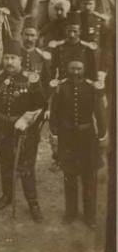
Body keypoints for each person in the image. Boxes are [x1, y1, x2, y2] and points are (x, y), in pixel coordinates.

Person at [0, 38, 45, 222]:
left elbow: (41, 106)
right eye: (6, 58)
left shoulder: (31, 79)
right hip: (2, 130)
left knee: (26, 169)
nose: (9, 62)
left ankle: (33, 203)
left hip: (24, 133)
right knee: (5, 165)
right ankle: (7, 195)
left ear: (20, 60)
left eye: (13, 58)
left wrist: (26, 119)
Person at [49, 51, 107, 228]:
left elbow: (100, 114)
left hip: (87, 138)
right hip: (67, 139)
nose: (75, 72)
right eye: (72, 68)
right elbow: (54, 114)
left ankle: (89, 215)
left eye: (79, 68)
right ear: (67, 68)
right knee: (70, 176)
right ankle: (71, 212)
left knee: (89, 177)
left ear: (84, 69)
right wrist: (54, 135)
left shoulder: (91, 88)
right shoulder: (61, 88)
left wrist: (102, 136)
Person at [48, 10, 98, 82]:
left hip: (82, 86)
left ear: (80, 31)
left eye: (75, 31)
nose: (72, 34)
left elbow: (93, 72)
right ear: (65, 30)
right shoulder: (58, 48)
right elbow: (52, 69)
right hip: (63, 87)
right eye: (69, 31)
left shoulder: (87, 48)